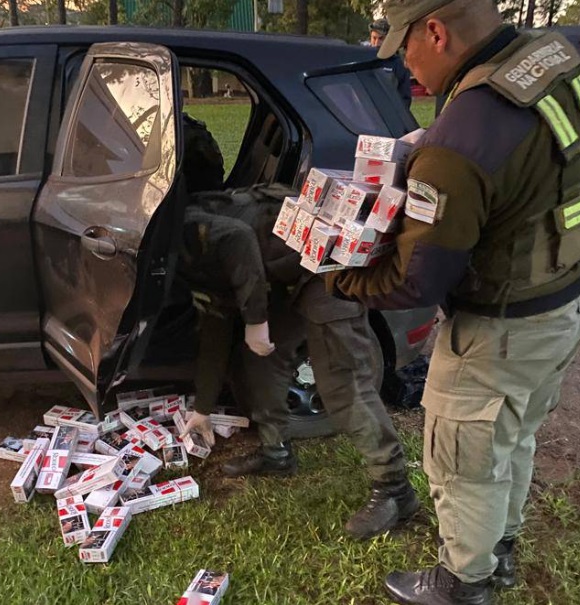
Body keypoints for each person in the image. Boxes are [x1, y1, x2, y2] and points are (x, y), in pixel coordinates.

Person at [328, 0, 580, 602]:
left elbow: (414, 284)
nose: (403, 62)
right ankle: (499, 550)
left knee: (463, 463)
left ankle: (463, 583)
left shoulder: (460, 141)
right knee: (511, 437)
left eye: (405, 44)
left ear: (436, 31)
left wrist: (338, 277)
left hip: (500, 328)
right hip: (567, 302)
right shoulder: (554, 58)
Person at [177, 117, 419, 542]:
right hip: (288, 274)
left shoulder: (190, 236)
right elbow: (214, 333)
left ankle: (395, 490)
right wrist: (202, 408)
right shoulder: (186, 248)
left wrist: (255, 321)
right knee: (259, 365)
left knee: (343, 383)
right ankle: (276, 453)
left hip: (324, 269)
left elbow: (240, 240)